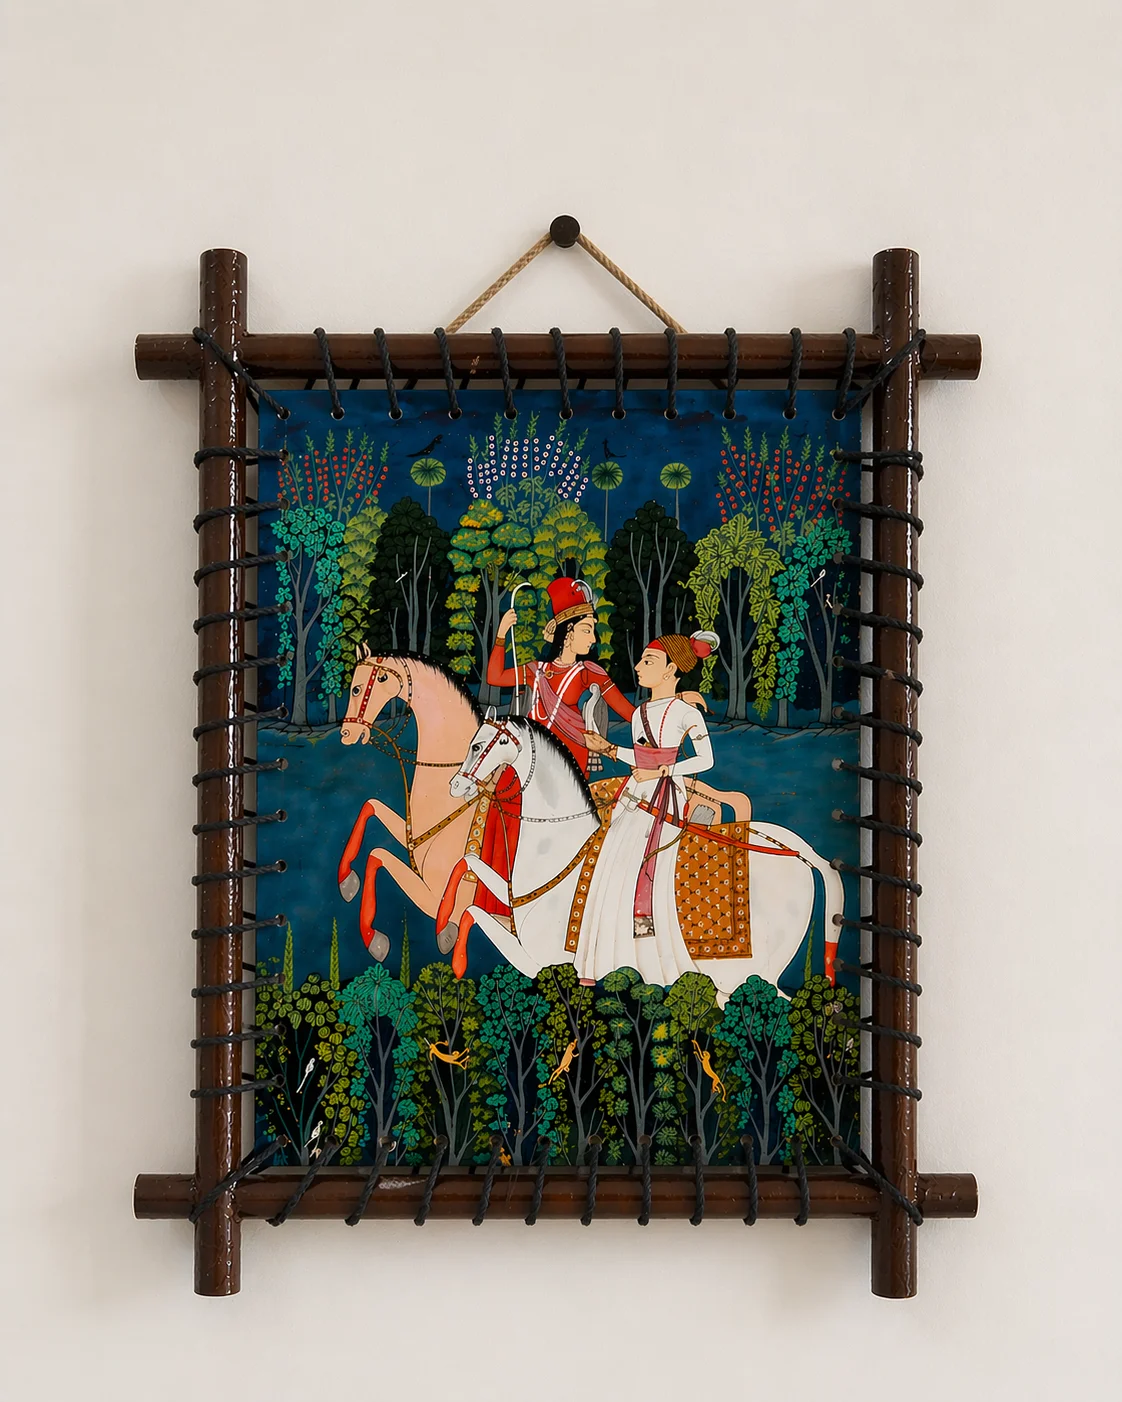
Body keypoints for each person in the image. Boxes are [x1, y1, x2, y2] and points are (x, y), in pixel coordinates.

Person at [575, 631, 719, 986]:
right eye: (641, 660)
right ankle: (608, 960)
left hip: (666, 795)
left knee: (647, 867)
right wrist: (607, 748)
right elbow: (640, 756)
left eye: (649, 661)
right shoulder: (639, 714)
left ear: (671, 670)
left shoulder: (686, 713)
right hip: (637, 791)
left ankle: (655, 960)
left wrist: (663, 771)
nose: (638, 667)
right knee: (611, 864)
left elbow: (706, 760)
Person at [487, 578, 635, 775]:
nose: (593, 638)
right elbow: (494, 678)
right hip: (532, 751)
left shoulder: (589, 672)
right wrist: (501, 633)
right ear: (568, 632)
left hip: (569, 754)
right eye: (587, 630)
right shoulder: (535, 670)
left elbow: (628, 713)